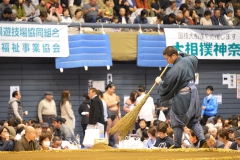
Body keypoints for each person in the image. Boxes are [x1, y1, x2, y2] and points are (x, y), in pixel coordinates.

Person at [155, 46, 205, 148]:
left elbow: (166, 86)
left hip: (184, 95)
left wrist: (159, 82)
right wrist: (181, 54)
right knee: (193, 120)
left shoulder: (175, 70)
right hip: (194, 93)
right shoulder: (188, 60)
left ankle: (177, 145)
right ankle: (203, 139)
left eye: (167, 58)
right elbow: (194, 58)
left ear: (173, 55)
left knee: (176, 120)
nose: (167, 61)